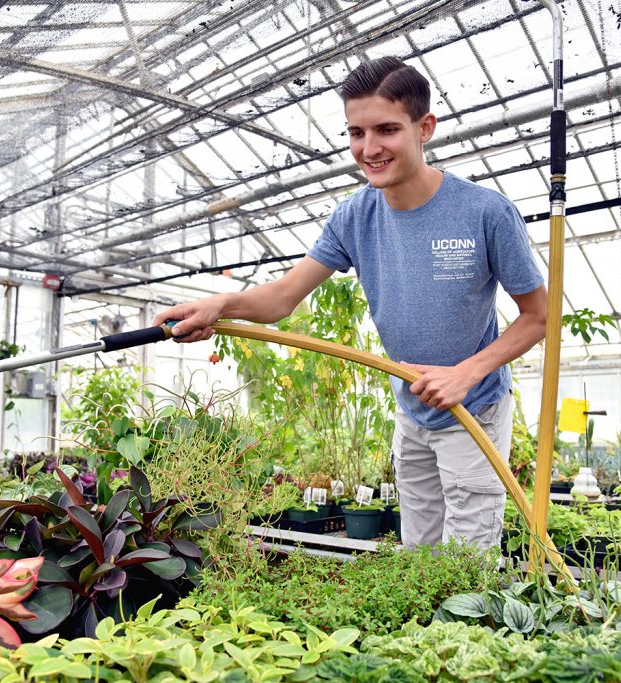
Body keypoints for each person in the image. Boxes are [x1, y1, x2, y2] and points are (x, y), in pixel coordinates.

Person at [154, 56, 546, 549]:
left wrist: (466, 373)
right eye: (356, 133)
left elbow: (538, 316)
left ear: (425, 128)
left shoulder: (484, 212)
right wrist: (219, 305)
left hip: (476, 409)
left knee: (471, 556)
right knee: (418, 550)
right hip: (413, 408)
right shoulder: (354, 216)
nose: (369, 148)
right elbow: (282, 298)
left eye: (386, 130)